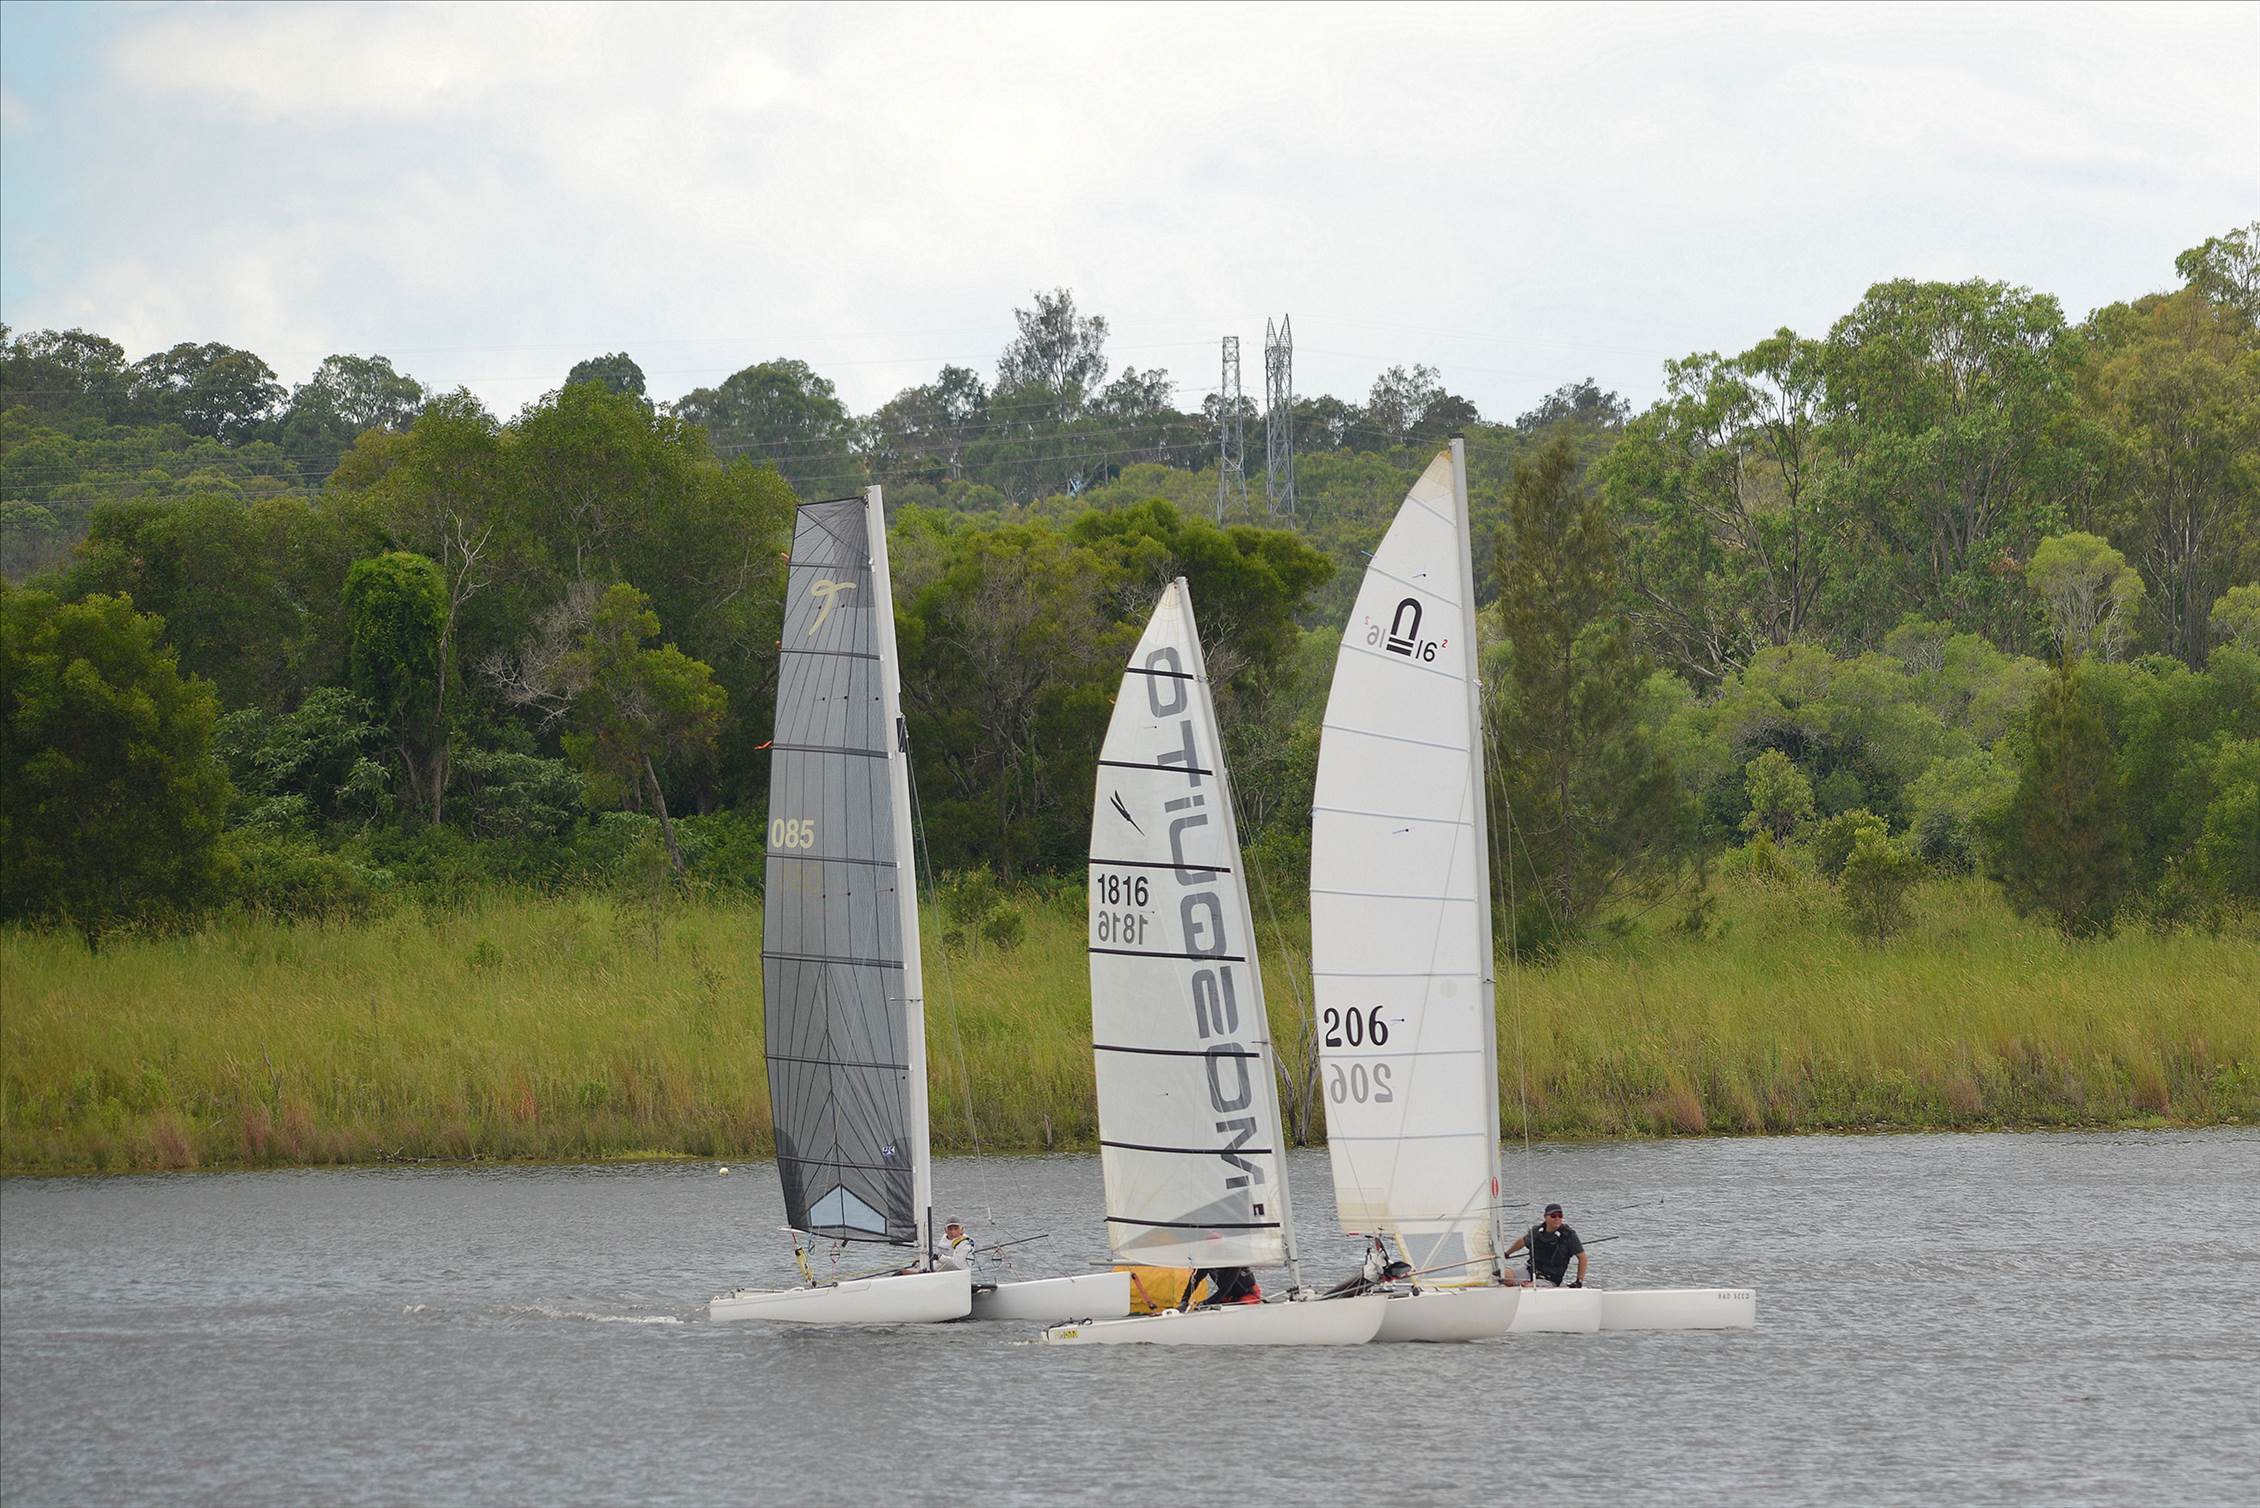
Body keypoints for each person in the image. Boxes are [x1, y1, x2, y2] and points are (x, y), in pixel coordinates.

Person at [1502, 1202, 1587, 1288]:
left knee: (1529, 1286)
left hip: (1550, 1279)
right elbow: (1522, 1242)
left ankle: (1523, 1285)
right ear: (1545, 1217)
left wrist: (1579, 1281)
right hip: (1530, 1270)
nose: (1557, 1218)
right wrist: (1507, 1253)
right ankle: (1516, 1286)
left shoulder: (1569, 1235)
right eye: (1553, 1216)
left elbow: (1582, 1258)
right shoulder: (1536, 1231)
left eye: (1560, 1216)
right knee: (1502, 1275)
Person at [901, 1219, 977, 1275]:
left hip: (953, 1274)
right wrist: (924, 1260)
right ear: (945, 1230)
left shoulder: (965, 1244)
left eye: (956, 1229)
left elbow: (959, 1265)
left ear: (962, 1230)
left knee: (904, 1273)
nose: (953, 1232)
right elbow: (938, 1256)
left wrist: (939, 1257)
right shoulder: (944, 1238)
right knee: (902, 1271)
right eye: (950, 1229)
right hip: (940, 1270)